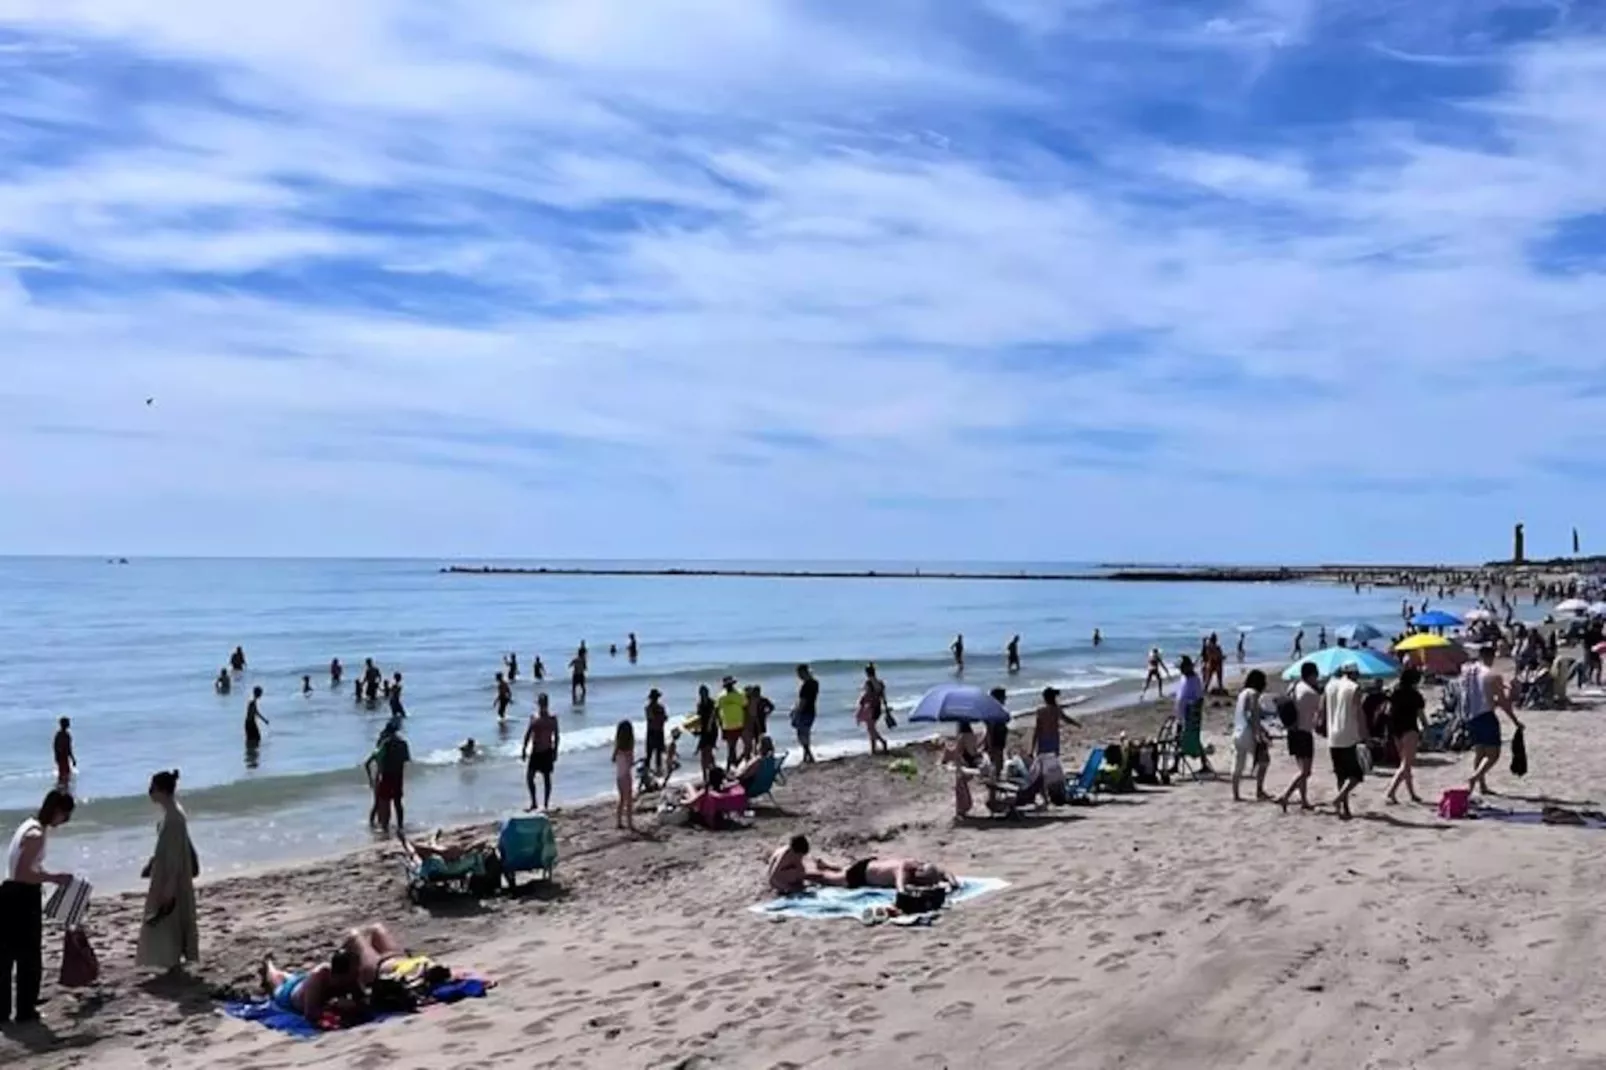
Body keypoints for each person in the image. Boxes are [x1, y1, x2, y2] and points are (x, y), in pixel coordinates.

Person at [2, 789, 75, 1025]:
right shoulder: (35, 835)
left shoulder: (29, 826)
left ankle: (3, 1012)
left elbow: (24, 868)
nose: (65, 821)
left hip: (9, 892)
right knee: (29, 957)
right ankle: (25, 1011)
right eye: (65, 815)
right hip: (22, 897)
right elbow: (24, 873)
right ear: (56, 811)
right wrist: (53, 878)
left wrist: (50, 876)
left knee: (7, 956)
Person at [136, 770, 200, 973]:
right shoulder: (173, 814)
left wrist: (169, 885)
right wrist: (153, 862)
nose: (150, 793)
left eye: (153, 788)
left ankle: (170, 960)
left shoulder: (173, 818)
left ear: (162, 790)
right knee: (171, 918)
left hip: (170, 877)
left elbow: (174, 855)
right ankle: (171, 958)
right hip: (168, 873)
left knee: (166, 917)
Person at [1462, 644, 1524, 796]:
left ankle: (1482, 785)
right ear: (1492, 657)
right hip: (1485, 716)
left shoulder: (1467, 671)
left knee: (1480, 752)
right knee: (1493, 755)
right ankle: (1474, 778)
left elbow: (1475, 693)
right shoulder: (1492, 675)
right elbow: (1503, 702)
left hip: (1470, 715)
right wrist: (1515, 721)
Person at [260, 949, 360, 1023]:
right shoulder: (319, 978)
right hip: (290, 996)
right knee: (277, 984)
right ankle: (268, 965)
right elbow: (310, 1014)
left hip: (304, 982)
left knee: (290, 978)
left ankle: (277, 970)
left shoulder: (350, 977)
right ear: (343, 974)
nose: (358, 972)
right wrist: (333, 1006)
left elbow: (360, 1000)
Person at [1321, 664, 1366, 820]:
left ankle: (1345, 808)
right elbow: (1359, 714)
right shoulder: (1354, 688)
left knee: (1341, 776)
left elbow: (1322, 710)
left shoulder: (1330, 686)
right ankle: (1339, 799)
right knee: (1356, 775)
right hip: (1349, 735)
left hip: (1332, 735)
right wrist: (1365, 734)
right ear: (1353, 673)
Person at [1277, 661, 1321, 812]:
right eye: (1316, 675)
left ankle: (1304, 800)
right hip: (1304, 734)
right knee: (1306, 772)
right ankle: (1285, 796)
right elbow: (1320, 712)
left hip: (1292, 732)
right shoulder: (1311, 693)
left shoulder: (1293, 686)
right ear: (1312, 675)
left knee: (1301, 770)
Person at [1384, 667, 1429, 805]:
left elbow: (1387, 711)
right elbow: (1421, 716)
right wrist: (1426, 729)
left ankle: (1412, 794)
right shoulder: (1416, 695)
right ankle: (1390, 792)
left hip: (1395, 730)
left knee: (1405, 764)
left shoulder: (1395, 693)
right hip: (1410, 729)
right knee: (1406, 764)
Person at [810, 856, 956, 893]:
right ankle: (803, 874)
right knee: (827, 879)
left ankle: (827, 865)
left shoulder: (916, 864)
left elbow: (944, 872)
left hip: (871, 864)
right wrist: (922, 890)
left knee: (845, 870)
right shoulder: (903, 870)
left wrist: (953, 882)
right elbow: (901, 889)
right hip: (861, 874)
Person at [1231, 670, 1272, 802]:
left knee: (1238, 764)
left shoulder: (1242, 693)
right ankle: (1259, 791)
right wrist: (1260, 733)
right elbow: (1252, 716)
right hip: (1247, 733)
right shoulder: (1254, 694)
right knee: (1264, 760)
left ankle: (1236, 794)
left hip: (1237, 732)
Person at [365, 724, 410, 833]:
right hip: (398, 775)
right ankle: (400, 826)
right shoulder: (403, 743)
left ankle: (385, 827)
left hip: (386, 775)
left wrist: (373, 777)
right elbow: (406, 759)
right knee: (398, 802)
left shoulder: (386, 744)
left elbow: (376, 758)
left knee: (384, 803)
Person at [521, 693, 559, 811]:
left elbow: (556, 736)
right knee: (529, 777)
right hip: (536, 751)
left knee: (546, 778)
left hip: (547, 750)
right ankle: (534, 802)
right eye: (541, 703)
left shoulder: (552, 719)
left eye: (544, 703)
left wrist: (555, 751)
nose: (542, 705)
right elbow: (528, 733)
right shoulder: (534, 718)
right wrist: (524, 748)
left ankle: (546, 803)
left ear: (547, 704)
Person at [1030, 687, 1081, 758]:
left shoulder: (1040, 712)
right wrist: (1076, 724)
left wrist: (1032, 750)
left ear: (1045, 698)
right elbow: (1067, 719)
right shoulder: (1057, 710)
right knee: (1053, 760)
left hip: (1043, 740)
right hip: (1054, 739)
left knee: (1043, 761)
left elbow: (1037, 730)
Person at [716, 676, 747, 768]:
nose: (729, 687)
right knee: (731, 749)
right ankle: (731, 766)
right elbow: (717, 711)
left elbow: (745, 707)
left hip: (740, 724)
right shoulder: (721, 696)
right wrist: (720, 725)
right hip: (728, 725)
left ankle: (736, 763)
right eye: (727, 685)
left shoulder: (740, 694)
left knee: (747, 745)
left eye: (730, 685)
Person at [792, 664, 819, 765]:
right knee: (806, 734)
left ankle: (809, 756)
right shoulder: (815, 683)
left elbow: (803, 701)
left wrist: (796, 712)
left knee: (801, 734)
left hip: (805, 712)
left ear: (803, 672)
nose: (799, 676)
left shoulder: (806, 685)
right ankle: (806, 756)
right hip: (812, 710)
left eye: (799, 674)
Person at [611, 720, 635, 831]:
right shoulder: (629, 750)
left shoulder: (617, 749)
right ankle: (629, 823)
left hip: (619, 777)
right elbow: (630, 763)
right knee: (629, 800)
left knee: (621, 800)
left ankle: (619, 822)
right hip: (626, 776)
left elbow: (614, 760)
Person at [857, 677, 890, 755]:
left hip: (871, 713)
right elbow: (882, 698)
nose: (865, 687)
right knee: (871, 730)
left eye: (866, 686)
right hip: (875, 711)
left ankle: (882, 742)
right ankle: (873, 749)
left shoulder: (868, 695)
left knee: (871, 730)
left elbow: (861, 705)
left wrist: (858, 716)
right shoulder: (876, 692)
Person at [644, 688, 669, 777]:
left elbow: (664, 718)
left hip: (654, 732)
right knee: (650, 754)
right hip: (655, 732)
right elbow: (660, 718)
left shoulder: (652, 708)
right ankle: (648, 773)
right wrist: (660, 718)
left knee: (655, 754)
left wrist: (659, 718)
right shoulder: (652, 708)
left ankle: (657, 772)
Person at [985, 687, 1011, 772]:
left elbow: (1007, 718)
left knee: (999, 758)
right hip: (995, 740)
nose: (1005, 699)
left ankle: (997, 774)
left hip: (999, 739)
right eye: (1004, 697)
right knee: (997, 759)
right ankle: (996, 775)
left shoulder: (996, 710)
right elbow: (990, 730)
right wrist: (989, 744)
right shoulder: (994, 712)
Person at [52, 718, 76, 786]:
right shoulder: (65, 735)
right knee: (65, 774)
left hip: (61, 756)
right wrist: (73, 758)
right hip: (63, 756)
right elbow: (68, 748)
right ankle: (62, 787)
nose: (69, 724)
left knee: (64, 774)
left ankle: (61, 787)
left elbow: (55, 746)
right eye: (68, 723)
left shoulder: (59, 734)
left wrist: (56, 756)